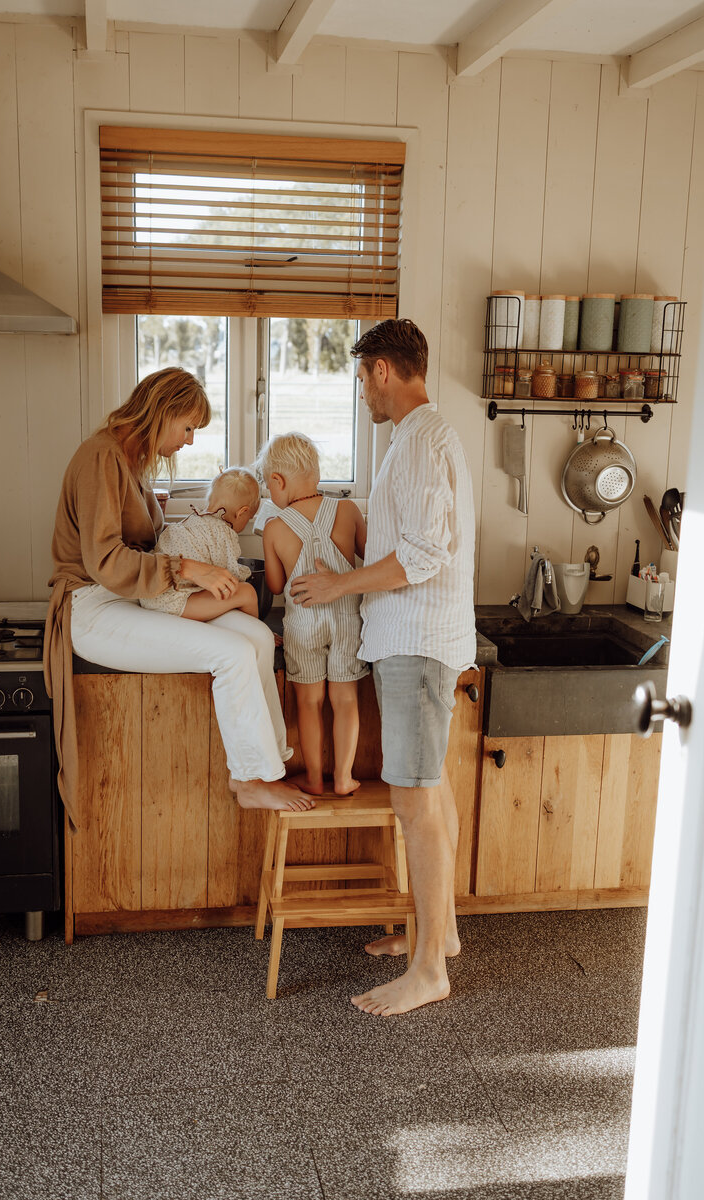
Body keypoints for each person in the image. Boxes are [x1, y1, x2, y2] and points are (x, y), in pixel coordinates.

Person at [289, 319, 476, 1016]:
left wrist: (339, 585)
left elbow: (426, 553)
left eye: (361, 375)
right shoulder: (414, 440)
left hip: (419, 642)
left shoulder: (424, 439)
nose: (361, 389)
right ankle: (443, 935)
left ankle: (429, 971)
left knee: (415, 802)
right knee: (432, 792)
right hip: (415, 640)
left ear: (384, 371)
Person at [44, 367, 314, 832]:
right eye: (188, 427)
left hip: (130, 599)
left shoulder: (129, 463)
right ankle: (249, 780)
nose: (190, 441)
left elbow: (141, 546)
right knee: (229, 653)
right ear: (163, 411)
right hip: (92, 607)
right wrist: (189, 568)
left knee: (255, 636)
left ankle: (273, 760)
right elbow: (106, 560)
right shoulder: (101, 457)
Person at [257, 432, 368, 796]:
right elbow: (371, 554)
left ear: (278, 481)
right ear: (316, 474)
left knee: (309, 701)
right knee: (345, 699)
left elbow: (275, 586)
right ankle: (344, 777)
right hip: (348, 618)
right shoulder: (348, 511)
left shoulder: (274, 527)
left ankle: (316, 779)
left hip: (303, 624)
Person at [141, 468, 261, 622]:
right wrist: (245, 573)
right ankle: (256, 628)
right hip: (174, 602)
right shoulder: (223, 532)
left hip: (149, 595)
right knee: (247, 592)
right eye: (249, 517)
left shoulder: (191, 520)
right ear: (241, 512)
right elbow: (228, 577)